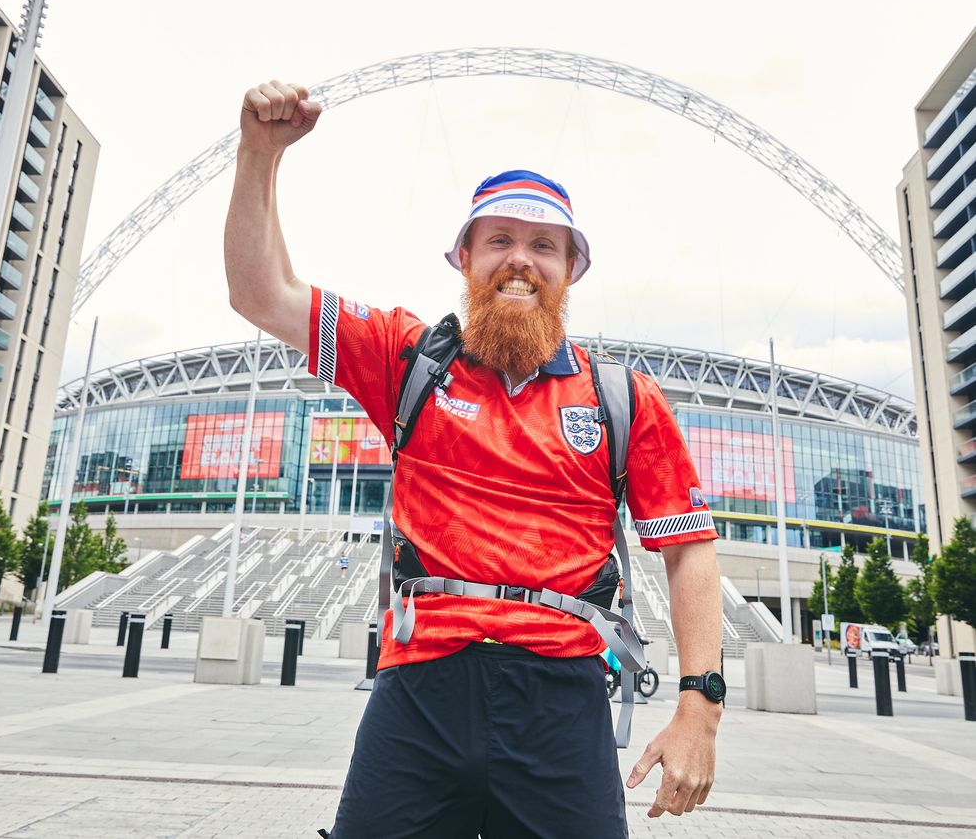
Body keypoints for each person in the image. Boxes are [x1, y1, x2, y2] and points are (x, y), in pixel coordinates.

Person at [225, 80, 725, 838]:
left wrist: (699, 709)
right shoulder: (405, 358)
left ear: (571, 269)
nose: (519, 261)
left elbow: (689, 551)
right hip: (420, 691)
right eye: (499, 240)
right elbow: (260, 293)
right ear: (464, 256)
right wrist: (260, 154)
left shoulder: (624, 399)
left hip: (562, 699)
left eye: (543, 246)